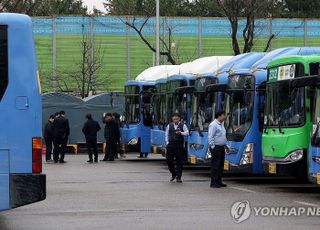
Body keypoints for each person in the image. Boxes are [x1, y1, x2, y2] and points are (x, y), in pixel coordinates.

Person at [165, 113, 189, 183]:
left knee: (179, 162)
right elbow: (166, 134)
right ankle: (173, 173)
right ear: (172, 119)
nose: (175, 120)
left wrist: (181, 133)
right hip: (171, 145)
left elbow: (187, 133)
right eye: (174, 119)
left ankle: (179, 177)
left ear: (179, 119)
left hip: (179, 145)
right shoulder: (169, 125)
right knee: (169, 160)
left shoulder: (183, 125)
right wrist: (167, 143)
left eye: (177, 119)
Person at [208, 110, 228, 188]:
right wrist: (213, 147)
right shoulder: (213, 125)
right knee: (215, 165)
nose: (224, 117)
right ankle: (213, 182)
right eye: (223, 115)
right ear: (219, 116)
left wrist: (226, 146)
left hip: (221, 147)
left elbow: (223, 136)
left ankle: (219, 181)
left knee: (220, 165)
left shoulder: (221, 124)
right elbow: (210, 137)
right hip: (216, 147)